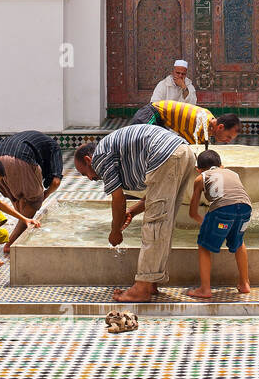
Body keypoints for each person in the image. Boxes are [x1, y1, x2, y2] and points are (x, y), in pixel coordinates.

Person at [74, 123, 195, 304]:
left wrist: (115, 231)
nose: (91, 179)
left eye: (85, 174)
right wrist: (132, 211)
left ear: (88, 160)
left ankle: (142, 287)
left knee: (154, 224)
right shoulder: (111, 150)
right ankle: (151, 280)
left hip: (165, 154)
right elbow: (154, 195)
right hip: (184, 151)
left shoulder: (99, 156)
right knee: (164, 222)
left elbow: (118, 199)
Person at [186, 149, 252, 301]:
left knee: (203, 244)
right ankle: (244, 284)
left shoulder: (200, 178)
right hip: (246, 209)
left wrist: (207, 225)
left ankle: (205, 289)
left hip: (222, 211)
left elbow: (193, 213)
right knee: (239, 241)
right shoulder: (233, 173)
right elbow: (235, 198)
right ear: (221, 166)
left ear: (198, 169)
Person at [0, 131, 63, 252]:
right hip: (19, 158)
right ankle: (11, 243)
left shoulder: (39, 143)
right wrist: (43, 196)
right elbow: (56, 182)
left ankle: (21, 234)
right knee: (33, 201)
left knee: (18, 198)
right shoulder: (54, 148)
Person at [131, 100, 241, 146]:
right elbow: (194, 151)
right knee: (140, 147)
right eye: (228, 137)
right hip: (150, 115)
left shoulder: (209, 118)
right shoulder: (201, 126)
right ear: (220, 127)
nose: (228, 141)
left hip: (160, 122)